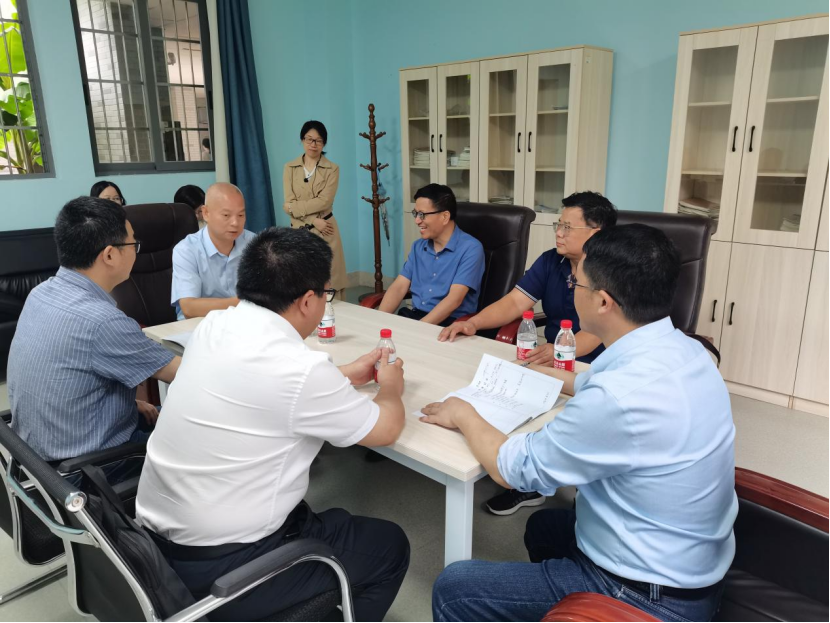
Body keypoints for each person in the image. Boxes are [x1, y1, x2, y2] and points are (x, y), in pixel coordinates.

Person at [422, 225, 737, 623]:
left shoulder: (617, 398)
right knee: (543, 527)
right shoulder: (684, 350)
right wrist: (522, 370)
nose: (571, 288)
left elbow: (514, 470)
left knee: (455, 589)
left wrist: (463, 412)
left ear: (603, 302)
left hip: (647, 593)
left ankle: (591, 608)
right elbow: (588, 382)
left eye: (577, 283)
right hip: (692, 561)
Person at [136, 227, 410, 622]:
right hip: (225, 571)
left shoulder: (214, 326)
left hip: (155, 550)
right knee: (389, 547)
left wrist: (343, 374)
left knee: (328, 518)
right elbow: (385, 430)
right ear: (308, 300)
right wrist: (391, 387)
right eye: (327, 294)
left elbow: (263, 387)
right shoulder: (300, 369)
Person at [439, 190, 617, 515]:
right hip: (552, 359)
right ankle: (525, 480)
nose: (559, 233)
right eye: (558, 225)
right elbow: (515, 302)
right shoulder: (552, 261)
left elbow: (597, 331)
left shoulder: (611, 270)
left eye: (567, 227)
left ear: (596, 233)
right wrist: (472, 323)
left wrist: (561, 351)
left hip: (595, 366)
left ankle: (567, 484)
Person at [7, 197, 180, 463]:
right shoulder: (102, 322)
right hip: (89, 468)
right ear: (109, 255)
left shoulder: (40, 293)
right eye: (133, 243)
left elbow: (65, 378)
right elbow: (184, 373)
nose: (136, 250)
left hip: (36, 457)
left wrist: (129, 405)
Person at [378, 184, 485, 326]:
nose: (417, 220)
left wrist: (417, 329)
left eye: (422, 214)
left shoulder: (470, 249)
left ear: (445, 216)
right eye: (416, 214)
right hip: (417, 317)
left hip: (450, 324)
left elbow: (454, 300)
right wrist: (378, 320)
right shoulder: (418, 246)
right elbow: (399, 287)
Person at [171, 182, 256, 319]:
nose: (235, 223)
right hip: (200, 325)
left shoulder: (254, 243)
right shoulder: (186, 250)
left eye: (240, 215)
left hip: (244, 322)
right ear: (206, 213)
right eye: (226, 215)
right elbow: (189, 307)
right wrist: (244, 303)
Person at [283, 120, 347, 296]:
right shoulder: (289, 167)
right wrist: (312, 220)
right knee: (301, 283)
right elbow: (288, 202)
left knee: (330, 281)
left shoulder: (332, 169)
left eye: (318, 140)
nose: (313, 144)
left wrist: (294, 207)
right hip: (300, 231)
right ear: (302, 140)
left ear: (324, 143)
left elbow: (324, 201)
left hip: (326, 229)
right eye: (309, 139)